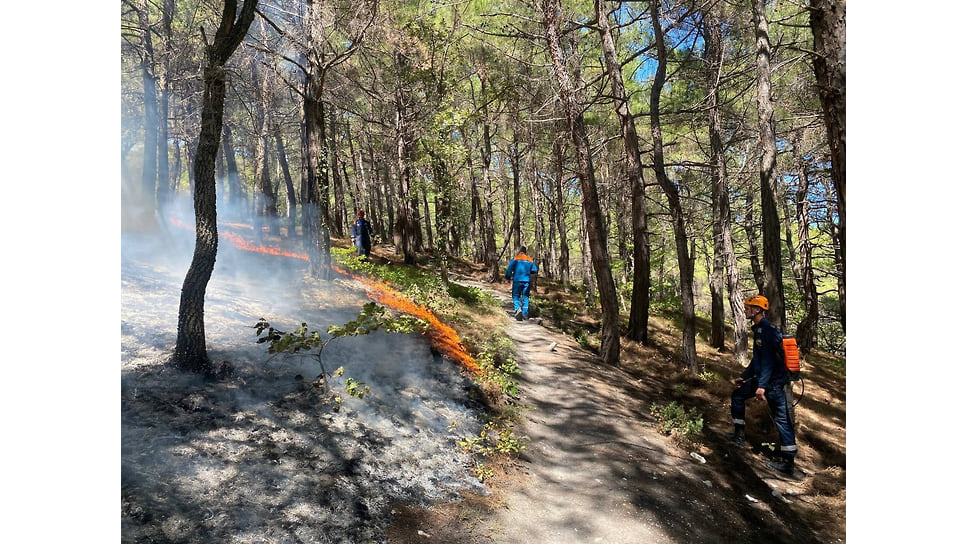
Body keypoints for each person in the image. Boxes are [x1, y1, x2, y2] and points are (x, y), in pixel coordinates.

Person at [726, 294, 798, 476]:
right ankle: (739, 436)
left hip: (772, 384)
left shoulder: (767, 330)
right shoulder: (759, 329)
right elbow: (757, 359)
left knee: (782, 420)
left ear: (758, 310)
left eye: (749, 307)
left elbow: (768, 362)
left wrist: (762, 386)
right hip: (763, 380)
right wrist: (745, 376)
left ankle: (788, 463)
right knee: (738, 395)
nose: (745, 309)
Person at [505, 245, 538, 321]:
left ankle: (518, 309)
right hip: (527, 281)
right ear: (525, 252)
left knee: (515, 296)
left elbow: (509, 269)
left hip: (517, 280)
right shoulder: (530, 260)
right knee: (525, 297)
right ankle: (525, 314)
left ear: (519, 251)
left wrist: (507, 277)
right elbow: (534, 270)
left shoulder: (515, 258)